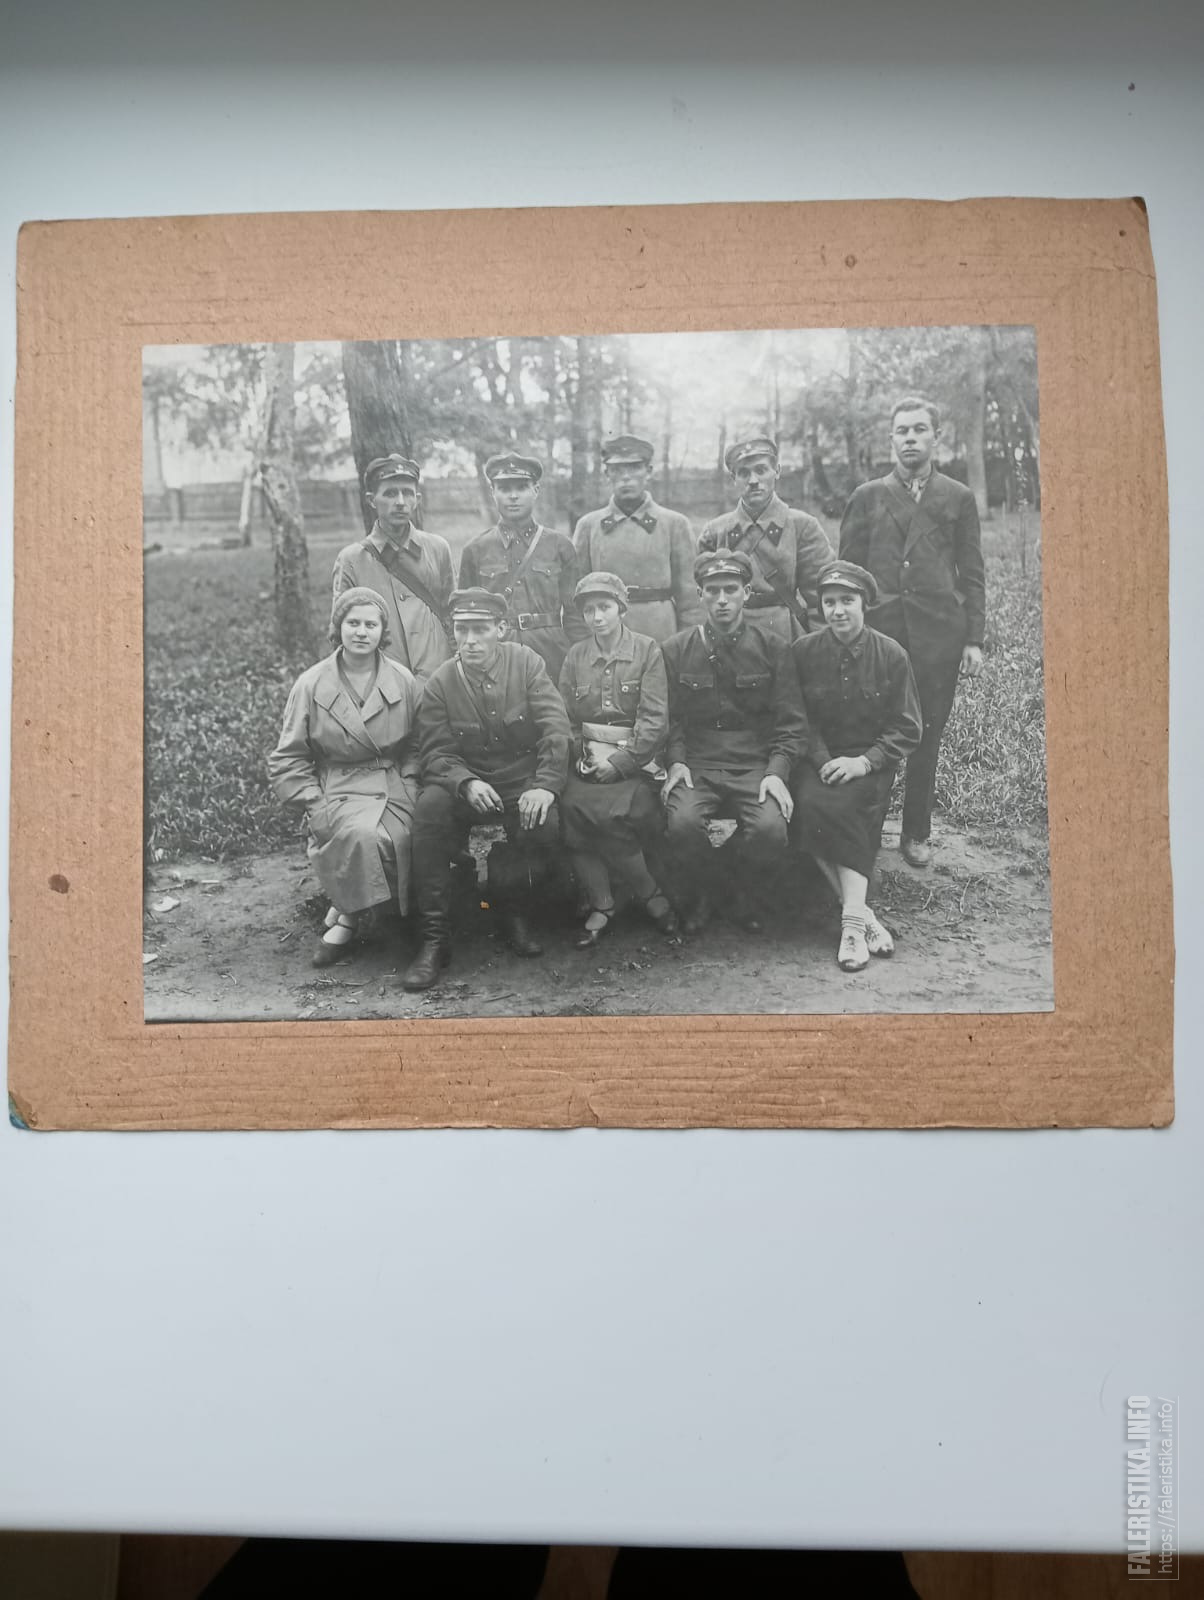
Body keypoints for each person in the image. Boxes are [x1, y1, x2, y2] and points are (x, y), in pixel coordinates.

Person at [838, 396, 986, 868]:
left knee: (926, 733)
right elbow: (846, 574)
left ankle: (916, 831)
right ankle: (866, 828)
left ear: (936, 438)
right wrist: (850, 631)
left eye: (920, 429)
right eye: (902, 431)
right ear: (891, 439)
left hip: (938, 638)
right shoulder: (868, 496)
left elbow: (972, 573)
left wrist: (973, 639)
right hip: (880, 637)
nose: (910, 439)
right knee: (870, 730)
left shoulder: (958, 497)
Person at [403, 588, 571, 989]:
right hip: (467, 781)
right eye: (462, 630)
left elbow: (555, 727)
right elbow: (436, 752)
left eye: (480, 629)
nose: (470, 641)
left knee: (544, 823)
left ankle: (512, 910)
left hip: (520, 779)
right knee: (429, 813)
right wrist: (465, 782)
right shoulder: (441, 682)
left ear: (501, 629)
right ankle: (434, 938)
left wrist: (545, 786)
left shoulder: (527, 663)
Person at [268, 587, 423, 968]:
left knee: (405, 837)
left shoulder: (402, 679)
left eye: (371, 624)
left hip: (391, 780)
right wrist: (312, 801)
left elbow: (420, 742)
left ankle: (373, 914)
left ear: (382, 631)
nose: (361, 632)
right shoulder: (311, 683)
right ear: (338, 627)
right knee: (363, 836)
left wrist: (410, 779)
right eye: (353, 623)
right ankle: (350, 918)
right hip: (338, 785)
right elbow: (288, 755)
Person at [661, 550, 807, 935]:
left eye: (731, 589)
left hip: (755, 763)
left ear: (747, 593)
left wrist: (777, 772)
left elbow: (791, 722)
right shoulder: (675, 649)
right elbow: (670, 720)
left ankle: (739, 891)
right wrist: (676, 761)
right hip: (697, 763)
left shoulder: (773, 647)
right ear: (699, 595)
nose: (722, 599)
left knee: (770, 830)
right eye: (712, 591)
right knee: (683, 824)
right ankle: (704, 892)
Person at [791, 561, 923, 973]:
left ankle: (849, 927)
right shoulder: (803, 652)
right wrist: (824, 760)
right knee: (808, 805)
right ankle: (862, 918)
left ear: (865, 604)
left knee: (849, 806)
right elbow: (798, 719)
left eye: (847, 600)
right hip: (819, 761)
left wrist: (865, 762)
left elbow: (908, 727)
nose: (838, 611)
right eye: (829, 602)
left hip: (870, 763)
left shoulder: (891, 655)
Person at [557, 571, 678, 948]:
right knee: (570, 808)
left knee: (614, 814)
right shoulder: (576, 656)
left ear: (622, 609)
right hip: (589, 762)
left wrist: (621, 763)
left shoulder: (647, 650)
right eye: (589, 610)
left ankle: (648, 892)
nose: (597, 617)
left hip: (638, 762)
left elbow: (655, 720)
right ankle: (604, 902)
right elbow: (564, 718)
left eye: (605, 607)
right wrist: (582, 755)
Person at [457, 451, 586, 680]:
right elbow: (465, 615)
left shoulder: (560, 546)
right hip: (496, 652)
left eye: (521, 487)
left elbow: (575, 615)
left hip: (552, 652)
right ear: (493, 492)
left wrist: (580, 662)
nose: (513, 496)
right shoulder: (475, 550)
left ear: (536, 490)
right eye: (505, 489)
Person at [697, 435, 833, 641]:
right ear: (733, 478)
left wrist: (817, 647)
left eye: (761, 470)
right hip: (729, 637)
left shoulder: (803, 526)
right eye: (744, 473)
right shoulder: (714, 531)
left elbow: (821, 599)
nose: (753, 481)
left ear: (777, 471)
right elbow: (701, 599)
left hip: (784, 635)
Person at [331, 454, 455, 679]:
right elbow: (340, 635)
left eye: (407, 493)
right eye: (389, 493)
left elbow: (453, 615)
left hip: (438, 680)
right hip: (383, 683)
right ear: (371, 500)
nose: (400, 501)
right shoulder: (351, 560)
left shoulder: (438, 549)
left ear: (417, 499)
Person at [573, 435, 703, 643]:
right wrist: (584, 643)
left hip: (660, 632)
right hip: (605, 633)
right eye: (617, 469)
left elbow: (691, 599)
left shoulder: (674, 524)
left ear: (648, 472)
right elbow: (577, 595)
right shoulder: (589, 526)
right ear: (607, 474)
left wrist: (687, 644)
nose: (626, 477)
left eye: (634, 468)